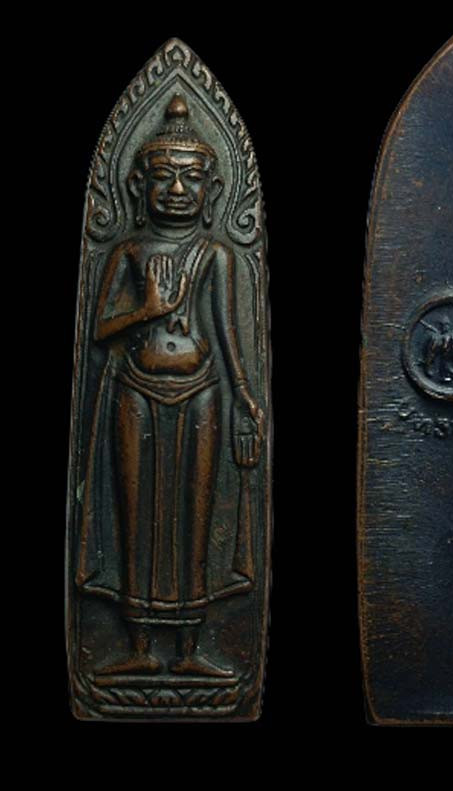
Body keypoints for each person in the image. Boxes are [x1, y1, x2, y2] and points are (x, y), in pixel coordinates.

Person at [77, 94, 263, 677]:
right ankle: (136, 649)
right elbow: (99, 331)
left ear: (212, 190)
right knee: (136, 516)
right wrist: (149, 310)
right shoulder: (128, 251)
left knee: (196, 515)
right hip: (135, 388)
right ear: (139, 186)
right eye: (163, 177)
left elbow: (231, 338)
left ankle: (189, 652)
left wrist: (245, 399)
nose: (177, 190)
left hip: (202, 390)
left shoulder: (217, 254)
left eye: (191, 179)